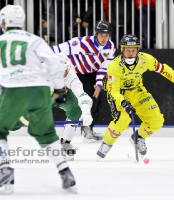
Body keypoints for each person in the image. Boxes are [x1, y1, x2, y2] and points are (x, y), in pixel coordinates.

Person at [0, 5, 76, 193]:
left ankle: (5, 171)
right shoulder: (34, 40)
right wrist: (59, 90)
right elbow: (55, 63)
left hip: (14, 89)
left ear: (3, 22)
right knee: (46, 133)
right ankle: (65, 171)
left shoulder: (1, 40)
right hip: (41, 90)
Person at [96, 34, 174, 159]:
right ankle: (107, 143)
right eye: (127, 50)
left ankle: (139, 137)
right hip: (120, 94)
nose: (131, 53)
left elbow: (164, 69)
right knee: (122, 120)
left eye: (133, 50)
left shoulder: (145, 59)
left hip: (139, 91)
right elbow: (113, 91)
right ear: (122, 50)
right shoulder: (114, 66)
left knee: (157, 121)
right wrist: (124, 103)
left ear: (138, 50)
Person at [51, 20, 116, 143]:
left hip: (93, 74)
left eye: (106, 35)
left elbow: (104, 67)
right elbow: (57, 49)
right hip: (75, 73)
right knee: (81, 101)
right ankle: (73, 132)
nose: (104, 38)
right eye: (101, 34)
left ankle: (87, 129)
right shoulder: (80, 43)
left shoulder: (110, 47)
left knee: (99, 101)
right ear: (96, 34)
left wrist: (99, 84)